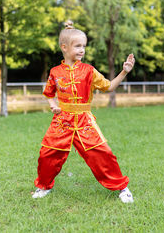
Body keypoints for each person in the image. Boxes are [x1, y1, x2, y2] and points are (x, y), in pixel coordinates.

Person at [32, 21, 134, 203]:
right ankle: (43, 186)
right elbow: (48, 93)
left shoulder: (88, 71)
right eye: (78, 46)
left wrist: (124, 72)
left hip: (85, 121)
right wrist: (53, 105)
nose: (82, 50)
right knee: (47, 153)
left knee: (103, 154)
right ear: (64, 47)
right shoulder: (55, 72)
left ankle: (122, 187)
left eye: (84, 46)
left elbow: (109, 86)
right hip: (62, 120)